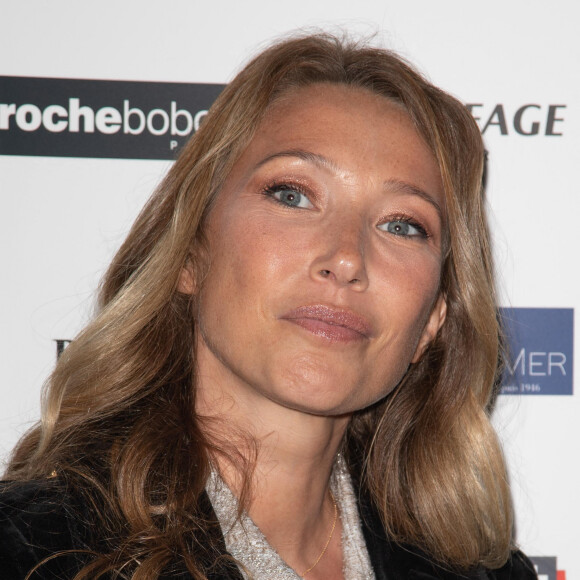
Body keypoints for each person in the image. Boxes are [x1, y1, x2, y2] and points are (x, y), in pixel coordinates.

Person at [0, 33, 537, 579]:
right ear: (189, 252)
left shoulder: (486, 573)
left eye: (402, 225)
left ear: (433, 321)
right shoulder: (32, 551)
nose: (347, 258)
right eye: (292, 194)